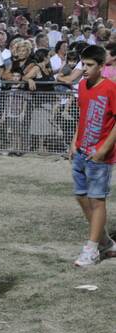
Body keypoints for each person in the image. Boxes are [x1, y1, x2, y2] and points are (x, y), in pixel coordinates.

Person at [70, 45, 116, 266]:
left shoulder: (110, 88)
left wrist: (104, 149)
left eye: (89, 65)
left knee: (97, 201)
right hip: (81, 151)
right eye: (83, 64)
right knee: (81, 196)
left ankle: (92, 248)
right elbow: (82, 115)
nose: (85, 69)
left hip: (99, 156)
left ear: (100, 66)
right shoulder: (81, 86)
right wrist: (73, 142)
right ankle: (105, 242)